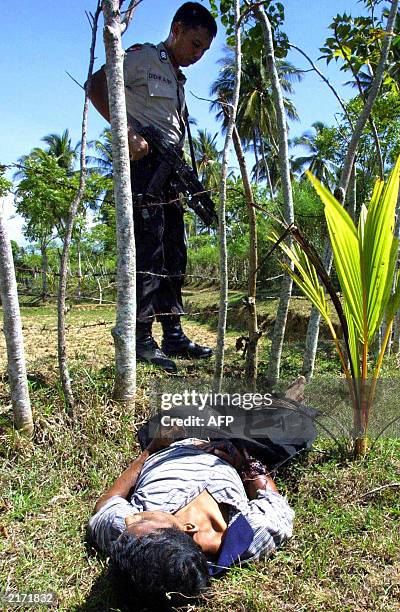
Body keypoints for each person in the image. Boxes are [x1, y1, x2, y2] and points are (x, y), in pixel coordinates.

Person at [88, 3, 217, 373]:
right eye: (195, 44)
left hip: (171, 171)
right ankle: (141, 337)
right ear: (176, 29)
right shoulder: (144, 57)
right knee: (150, 250)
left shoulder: (177, 77)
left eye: (204, 50)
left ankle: (172, 333)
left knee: (175, 252)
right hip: (144, 168)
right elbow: (98, 85)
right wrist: (125, 132)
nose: (198, 55)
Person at [88, 433, 295, 605]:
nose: (129, 518)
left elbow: (106, 504)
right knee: (280, 429)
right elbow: (274, 502)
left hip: (172, 442)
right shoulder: (251, 533)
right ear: (187, 528)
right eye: (140, 521)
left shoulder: (128, 541)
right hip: (233, 446)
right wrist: (245, 462)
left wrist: (151, 449)